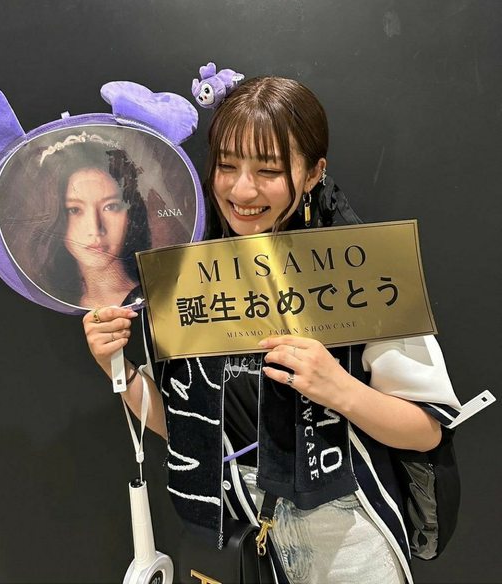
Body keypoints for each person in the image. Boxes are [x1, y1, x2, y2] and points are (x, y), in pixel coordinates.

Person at [83, 76, 462, 584]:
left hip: (345, 536)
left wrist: (340, 388)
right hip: (239, 526)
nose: (241, 190)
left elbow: (426, 428)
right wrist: (116, 366)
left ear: (313, 173)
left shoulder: (362, 269)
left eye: (268, 170)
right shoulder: (190, 275)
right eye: (227, 165)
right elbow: (185, 428)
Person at [13, 131, 150, 308]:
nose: (95, 228)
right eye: (75, 210)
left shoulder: (160, 297)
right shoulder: (44, 303)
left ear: (131, 213)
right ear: (54, 216)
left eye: (110, 206)